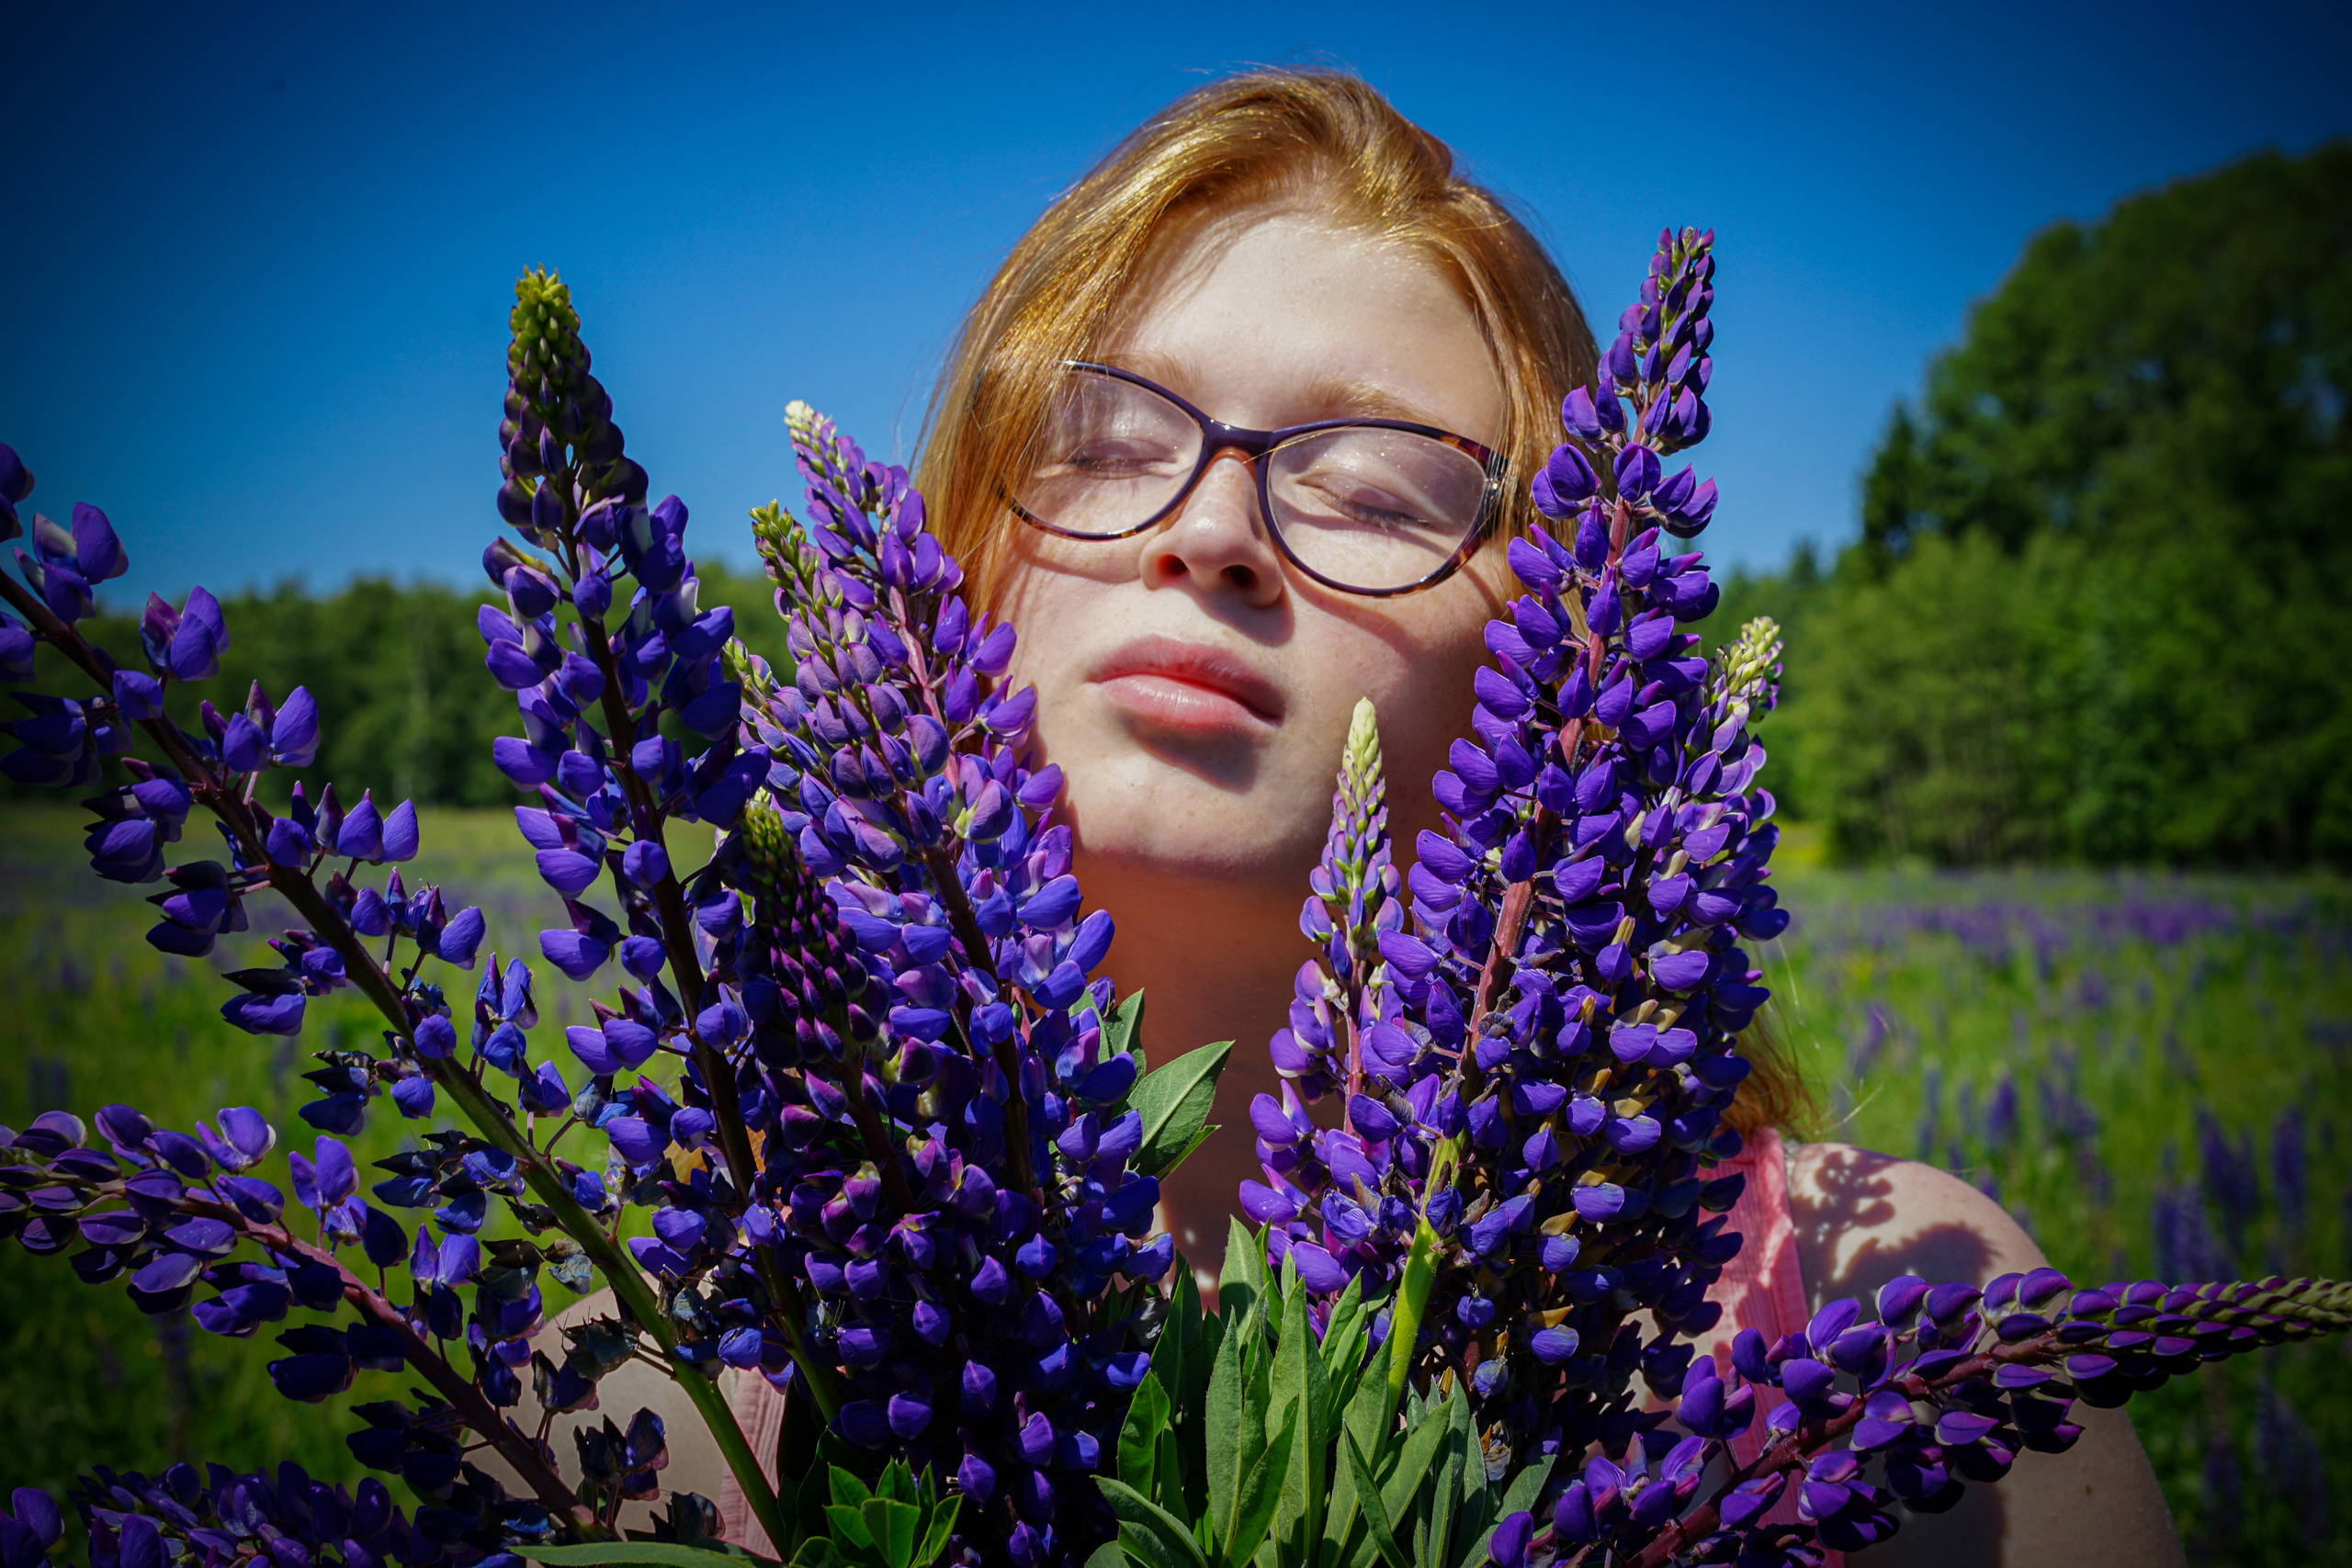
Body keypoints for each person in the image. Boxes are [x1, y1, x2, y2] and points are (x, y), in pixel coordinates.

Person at [547, 68, 2187, 1566]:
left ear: (1565, 656)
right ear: (957, 561)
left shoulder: (1897, 1312)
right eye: (1108, 440)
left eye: (1378, 484)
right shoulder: (645, 1382)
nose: (1212, 529)